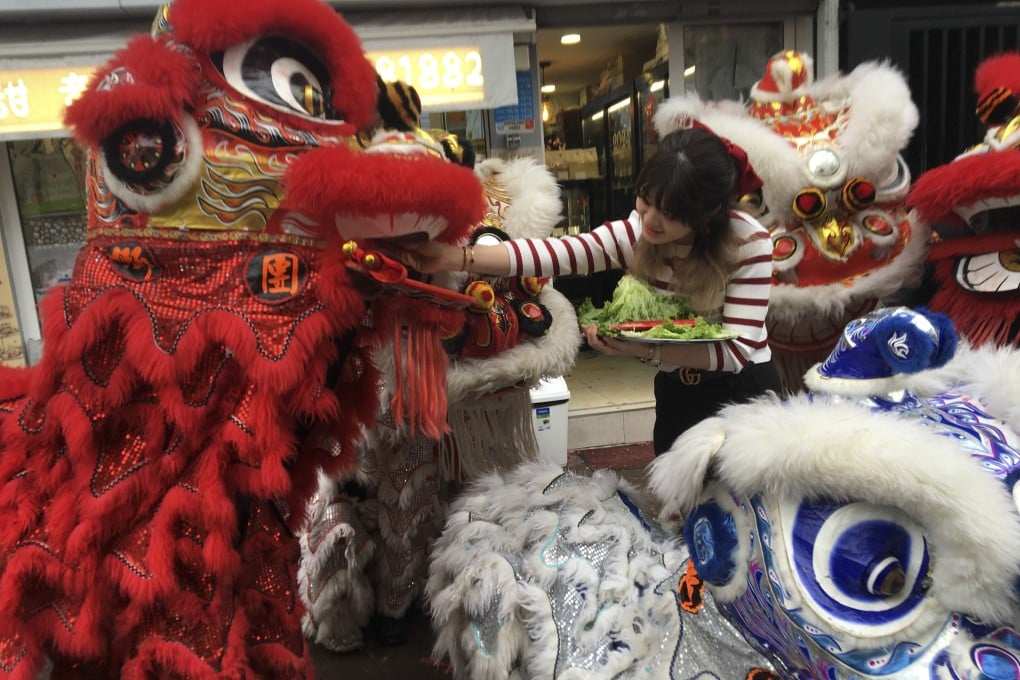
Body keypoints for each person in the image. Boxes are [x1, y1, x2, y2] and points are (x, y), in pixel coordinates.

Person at [400, 125, 782, 455]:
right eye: (645, 200)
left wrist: (643, 349)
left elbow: (735, 352)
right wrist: (455, 258)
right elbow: (556, 253)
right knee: (680, 506)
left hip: (741, 390)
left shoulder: (749, 245)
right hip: (676, 388)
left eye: (667, 213)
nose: (648, 219)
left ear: (707, 214)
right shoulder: (640, 233)